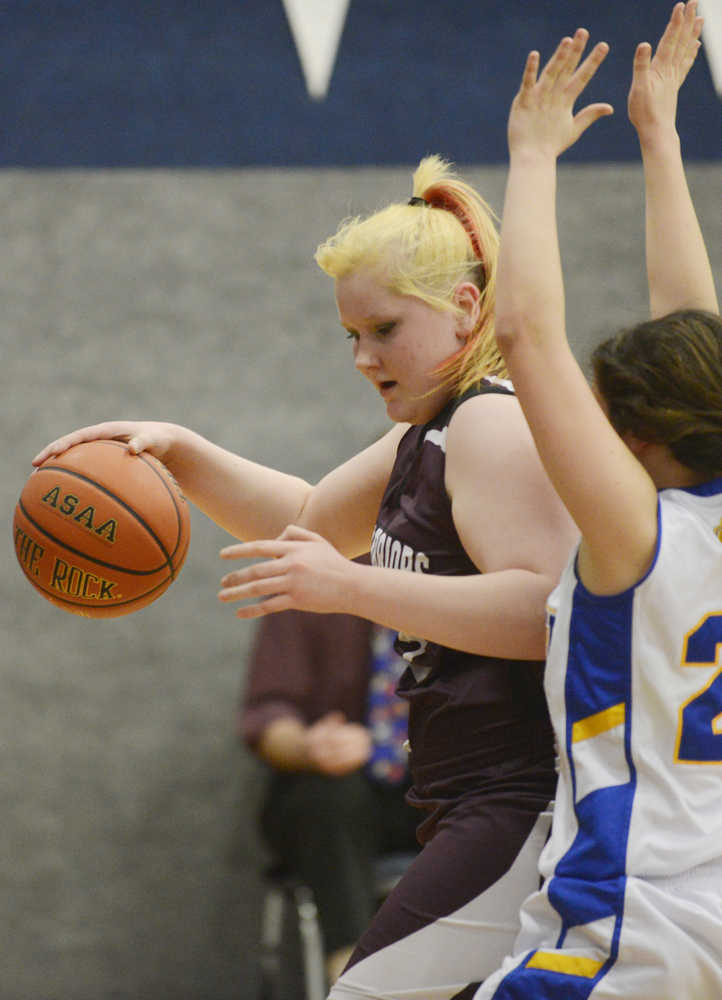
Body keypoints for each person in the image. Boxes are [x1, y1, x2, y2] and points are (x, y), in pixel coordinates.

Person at [33, 143, 578, 995]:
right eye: (351, 334)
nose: (363, 356)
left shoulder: (490, 425)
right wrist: (182, 452)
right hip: (472, 802)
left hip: (529, 803)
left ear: (467, 309)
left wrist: (351, 585)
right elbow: (307, 520)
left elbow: (544, 610)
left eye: (386, 329)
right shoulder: (421, 435)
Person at [476, 4, 722, 998]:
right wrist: (658, 140)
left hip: (637, 927)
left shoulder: (635, 532)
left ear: (629, 438)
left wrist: (531, 157)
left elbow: (525, 335)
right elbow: (694, 331)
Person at [239, 606, 419, 985]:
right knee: (329, 795)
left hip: (440, 787)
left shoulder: (472, 575)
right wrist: (310, 746)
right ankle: (352, 975)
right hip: (340, 799)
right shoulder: (311, 575)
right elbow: (267, 714)